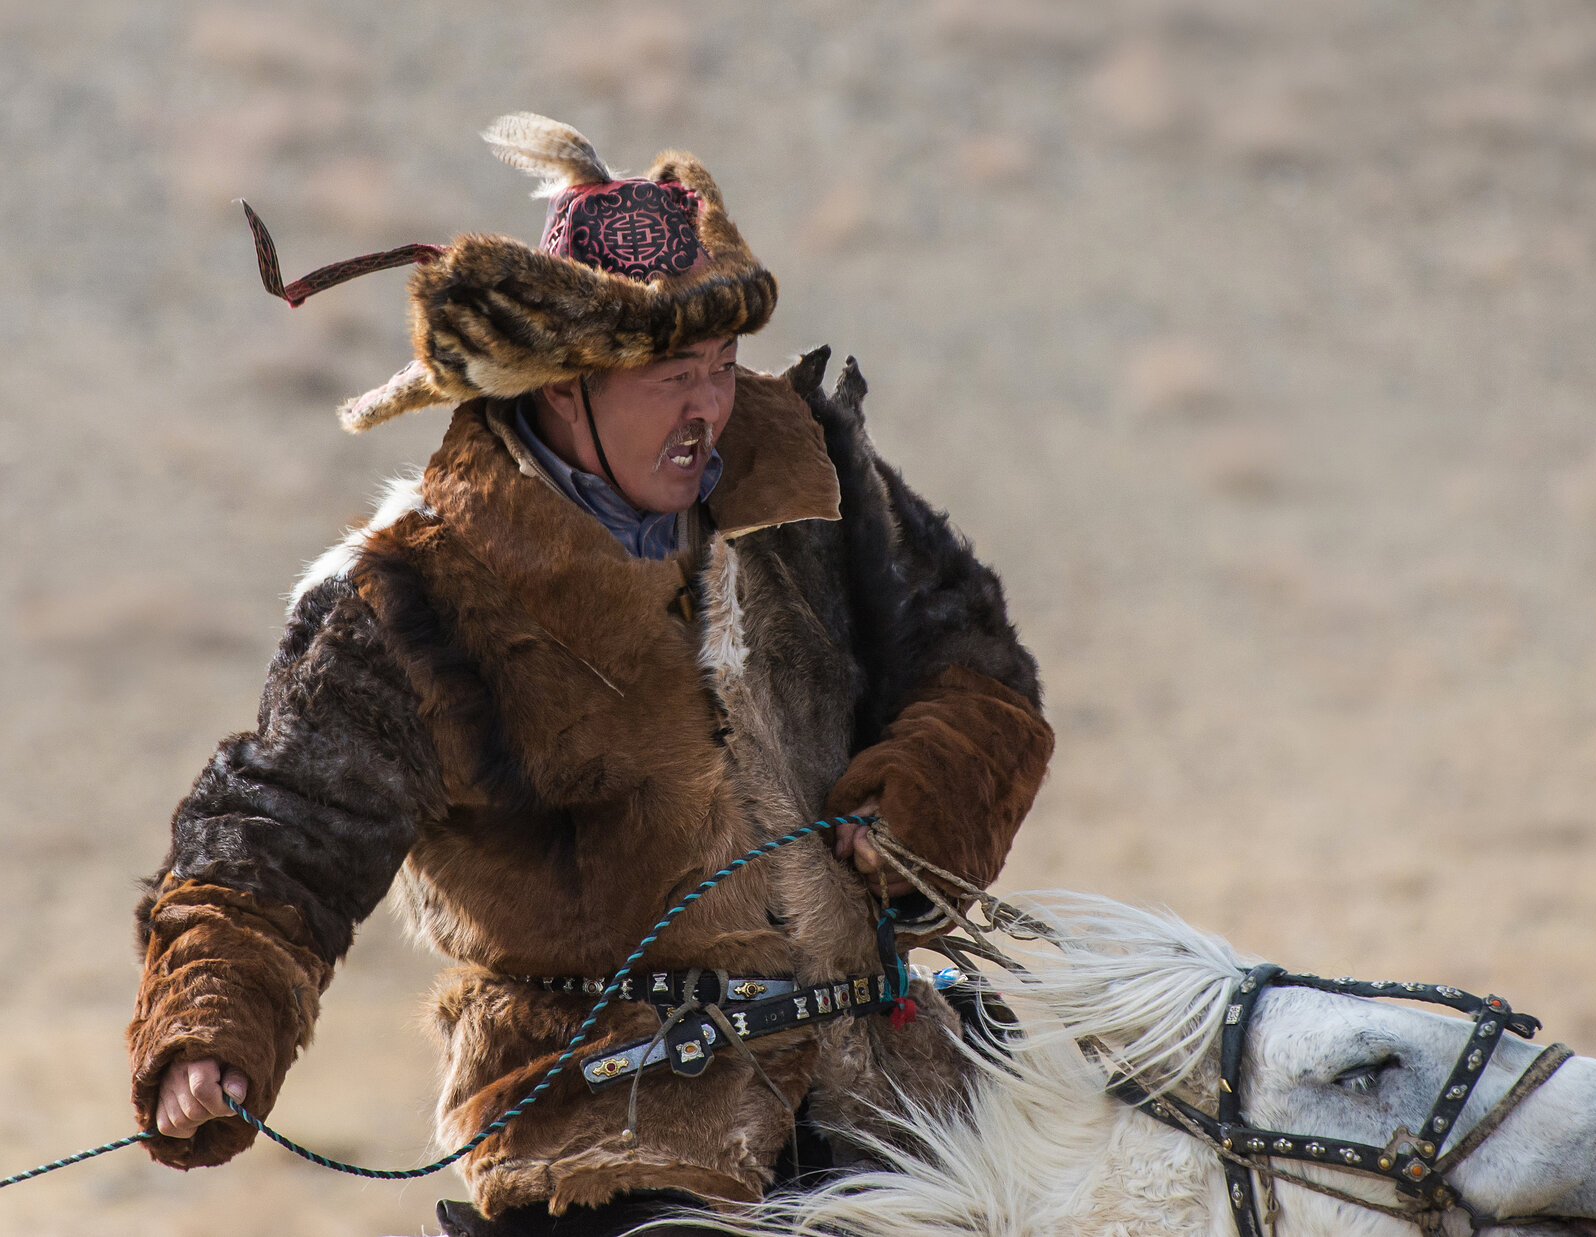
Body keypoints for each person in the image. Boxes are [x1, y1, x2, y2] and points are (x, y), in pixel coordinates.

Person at [126, 113, 1054, 1237]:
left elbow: (977, 667)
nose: (708, 406)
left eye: (718, 367)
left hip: (899, 1089)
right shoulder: (411, 598)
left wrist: (923, 795)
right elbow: (277, 837)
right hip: (608, 1125)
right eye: (672, 375)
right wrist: (210, 1025)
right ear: (563, 387)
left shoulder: (805, 473)